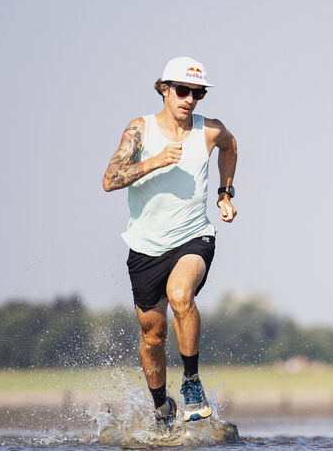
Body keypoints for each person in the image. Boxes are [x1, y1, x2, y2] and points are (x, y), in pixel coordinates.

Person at [102, 56, 238, 429]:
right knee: (152, 335)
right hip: (146, 248)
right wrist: (156, 161)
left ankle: (192, 383)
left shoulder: (209, 131)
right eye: (182, 90)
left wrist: (225, 193)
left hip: (194, 237)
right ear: (164, 89)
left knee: (181, 294)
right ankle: (162, 406)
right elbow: (109, 179)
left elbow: (230, 145)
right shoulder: (140, 130)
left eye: (198, 93)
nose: (190, 99)